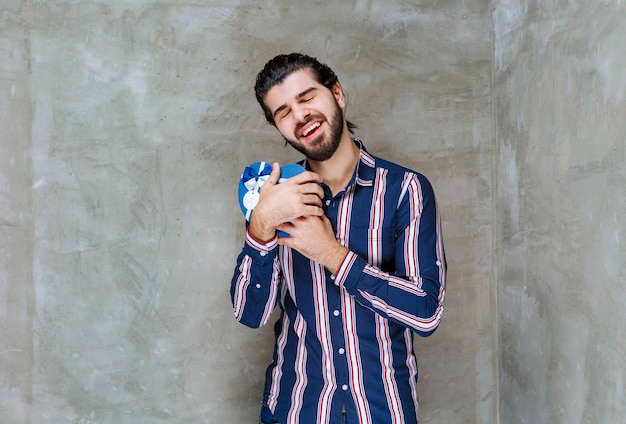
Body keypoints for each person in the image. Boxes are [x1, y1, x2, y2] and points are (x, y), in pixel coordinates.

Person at [230, 53, 446, 424]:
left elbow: (426, 313)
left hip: (382, 411)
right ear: (278, 128)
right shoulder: (274, 197)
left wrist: (332, 254)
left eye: (307, 97)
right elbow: (251, 314)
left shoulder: (405, 190)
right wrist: (261, 227)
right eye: (283, 112)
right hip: (295, 410)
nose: (299, 116)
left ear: (337, 94)